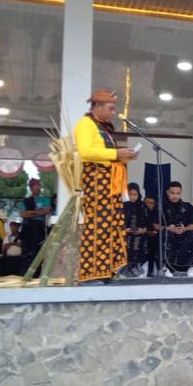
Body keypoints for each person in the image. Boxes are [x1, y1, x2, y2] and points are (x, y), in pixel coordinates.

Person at [74, 88, 138, 282]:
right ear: (97, 106)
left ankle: (108, 270)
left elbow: (107, 155)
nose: (113, 112)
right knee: (98, 226)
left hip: (109, 183)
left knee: (112, 226)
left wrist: (124, 156)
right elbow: (85, 152)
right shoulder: (86, 124)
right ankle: (92, 273)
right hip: (96, 182)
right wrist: (116, 154)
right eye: (110, 108)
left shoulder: (103, 127)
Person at [154, 181, 193, 276]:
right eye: (172, 193)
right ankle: (164, 268)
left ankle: (191, 267)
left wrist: (184, 229)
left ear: (181, 193)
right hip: (168, 232)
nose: (175, 196)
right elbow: (155, 225)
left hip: (184, 232)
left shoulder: (188, 207)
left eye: (178, 193)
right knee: (162, 236)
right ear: (167, 192)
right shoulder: (160, 207)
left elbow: (192, 225)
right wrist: (167, 228)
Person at [120, 182, 150, 279]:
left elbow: (149, 222)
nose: (132, 197)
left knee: (141, 242)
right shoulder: (122, 206)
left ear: (139, 194)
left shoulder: (143, 206)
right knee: (126, 243)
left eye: (135, 194)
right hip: (125, 234)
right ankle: (125, 270)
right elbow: (117, 221)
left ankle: (138, 269)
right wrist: (124, 229)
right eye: (130, 194)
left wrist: (143, 230)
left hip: (141, 234)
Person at [19, 178, 51, 265]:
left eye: (38, 186)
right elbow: (23, 214)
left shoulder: (45, 199)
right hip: (27, 227)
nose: (37, 188)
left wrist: (32, 213)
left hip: (39, 227)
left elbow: (46, 210)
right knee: (26, 250)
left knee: (37, 249)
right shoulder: (25, 201)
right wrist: (38, 212)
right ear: (31, 188)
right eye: (34, 186)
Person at [142, 196, 160, 272]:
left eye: (151, 203)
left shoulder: (158, 214)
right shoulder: (140, 213)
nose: (148, 204)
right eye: (146, 202)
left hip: (155, 237)